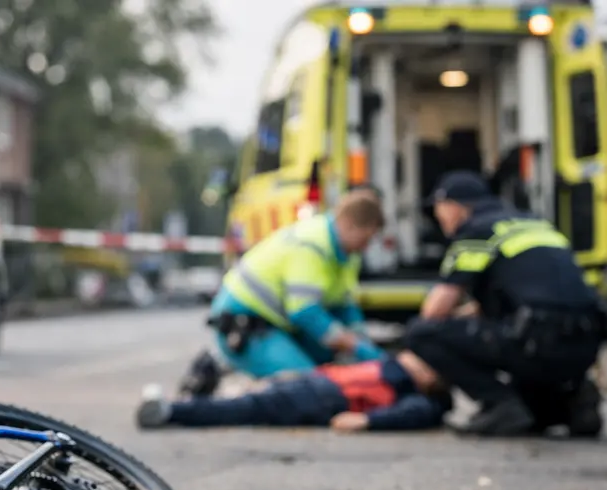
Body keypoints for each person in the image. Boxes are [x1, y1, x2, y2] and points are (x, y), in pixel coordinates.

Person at [406, 170, 605, 437]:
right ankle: (572, 401)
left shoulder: (477, 231)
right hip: (585, 343)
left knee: (422, 332)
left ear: (454, 206)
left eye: (439, 209)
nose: (439, 218)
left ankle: (499, 404)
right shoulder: (535, 224)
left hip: (536, 341)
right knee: (534, 412)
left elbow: (434, 311)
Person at [199, 190, 388, 389]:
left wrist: (364, 344)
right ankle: (237, 385)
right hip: (245, 325)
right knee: (310, 388)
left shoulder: (346, 253)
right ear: (349, 224)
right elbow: (304, 312)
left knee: (331, 367)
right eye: (365, 239)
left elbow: (344, 305)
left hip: (275, 324)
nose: (366, 247)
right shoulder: (312, 245)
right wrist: (355, 346)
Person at [136, 349, 451, 432]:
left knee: (247, 406)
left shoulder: (417, 396)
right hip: (318, 382)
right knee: (248, 397)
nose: (414, 359)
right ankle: (183, 403)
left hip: (322, 396)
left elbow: (415, 412)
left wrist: (367, 421)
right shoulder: (402, 373)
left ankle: (171, 410)